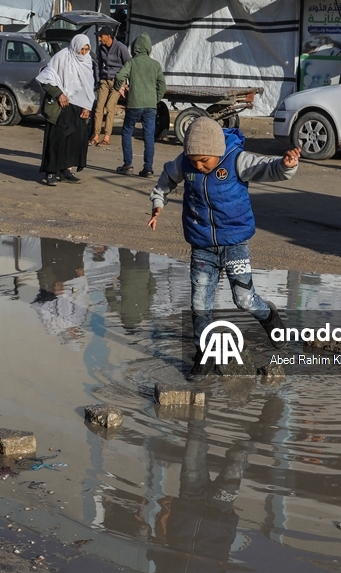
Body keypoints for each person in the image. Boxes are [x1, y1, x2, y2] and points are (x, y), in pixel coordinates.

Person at [148, 118, 301, 373]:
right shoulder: (185, 162)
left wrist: (286, 166)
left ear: (218, 153)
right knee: (200, 304)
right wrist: (157, 203)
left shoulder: (236, 159)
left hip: (235, 244)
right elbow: (166, 179)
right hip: (201, 247)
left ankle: (269, 316)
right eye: (194, 161)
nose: (198, 166)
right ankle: (204, 354)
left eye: (204, 161)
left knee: (244, 299)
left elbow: (267, 168)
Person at [35, 34, 95, 186]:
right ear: (75, 46)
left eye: (86, 49)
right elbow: (46, 79)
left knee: (75, 140)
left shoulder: (87, 61)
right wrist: (59, 94)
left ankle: (66, 171)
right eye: (81, 49)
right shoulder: (61, 57)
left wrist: (87, 106)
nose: (83, 52)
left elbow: (88, 87)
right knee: (56, 139)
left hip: (78, 107)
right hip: (61, 106)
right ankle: (51, 172)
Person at [114, 33, 166, 178]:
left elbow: (119, 76)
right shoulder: (155, 65)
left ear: (135, 48)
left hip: (134, 104)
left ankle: (128, 165)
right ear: (149, 48)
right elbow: (162, 85)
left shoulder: (131, 63)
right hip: (150, 105)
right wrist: (155, 99)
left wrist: (120, 88)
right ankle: (148, 169)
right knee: (149, 136)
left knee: (127, 132)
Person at [91, 27, 130, 146]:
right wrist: (98, 80)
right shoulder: (101, 48)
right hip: (104, 80)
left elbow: (128, 64)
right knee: (98, 107)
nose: (99, 38)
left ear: (108, 36)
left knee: (109, 107)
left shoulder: (120, 48)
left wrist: (128, 83)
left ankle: (107, 136)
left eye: (101, 36)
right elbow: (98, 64)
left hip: (118, 81)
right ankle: (96, 135)